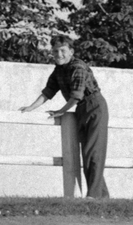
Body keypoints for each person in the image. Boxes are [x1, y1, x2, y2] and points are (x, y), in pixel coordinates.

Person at [20, 35, 109, 198]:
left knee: (94, 153)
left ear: (71, 52)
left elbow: (76, 96)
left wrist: (61, 111)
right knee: (87, 154)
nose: (59, 54)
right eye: (55, 51)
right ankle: (102, 197)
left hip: (94, 106)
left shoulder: (78, 67)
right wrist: (30, 108)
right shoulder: (58, 70)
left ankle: (95, 196)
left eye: (63, 50)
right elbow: (48, 92)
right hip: (81, 110)